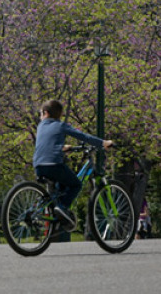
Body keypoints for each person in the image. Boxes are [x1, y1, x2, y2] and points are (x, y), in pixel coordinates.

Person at [32, 99, 112, 232]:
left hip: (38, 165)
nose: (40, 116)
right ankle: (62, 208)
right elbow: (82, 136)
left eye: (40, 113)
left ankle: (57, 214)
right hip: (53, 164)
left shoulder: (40, 126)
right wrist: (103, 142)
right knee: (76, 184)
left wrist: (61, 148)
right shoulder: (60, 125)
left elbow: (47, 144)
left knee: (61, 185)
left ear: (45, 113)